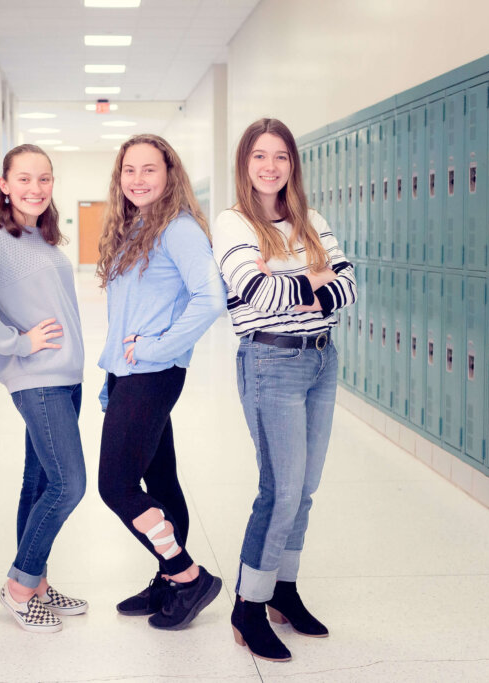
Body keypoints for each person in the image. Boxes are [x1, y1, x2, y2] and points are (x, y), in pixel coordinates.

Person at [212, 118, 357, 661]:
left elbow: (349, 283)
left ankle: (282, 591)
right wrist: (310, 279)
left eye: (281, 157)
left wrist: (301, 287)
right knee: (281, 489)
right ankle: (248, 607)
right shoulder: (233, 223)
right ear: (244, 164)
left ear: (293, 165)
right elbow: (251, 290)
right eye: (259, 157)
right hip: (270, 362)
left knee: (307, 487)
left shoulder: (310, 220)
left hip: (322, 359)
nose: (270, 167)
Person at [0, 144, 87, 633]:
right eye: (24, 179)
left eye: (45, 179)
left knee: (41, 483)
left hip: (64, 377)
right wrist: (18, 342)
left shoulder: (42, 238)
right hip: (39, 380)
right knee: (70, 484)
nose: (36, 188)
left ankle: (39, 584)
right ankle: (18, 586)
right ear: (4, 184)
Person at [96, 134, 227, 630]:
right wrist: (115, 373)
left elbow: (210, 298)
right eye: (129, 170)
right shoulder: (136, 228)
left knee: (117, 486)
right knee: (160, 480)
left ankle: (186, 574)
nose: (138, 179)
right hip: (131, 375)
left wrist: (156, 347)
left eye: (149, 169)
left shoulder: (179, 229)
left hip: (153, 374)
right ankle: (169, 582)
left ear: (170, 174)